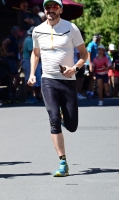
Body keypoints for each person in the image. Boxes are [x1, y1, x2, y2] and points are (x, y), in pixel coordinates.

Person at [28, 0, 87, 177]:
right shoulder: (37, 31)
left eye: (54, 7)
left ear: (60, 9)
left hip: (68, 81)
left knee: (72, 125)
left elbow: (84, 54)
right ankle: (63, 162)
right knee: (53, 118)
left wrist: (74, 68)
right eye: (47, 7)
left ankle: (64, 116)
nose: (50, 10)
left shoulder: (71, 28)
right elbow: (35, 53)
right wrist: (32, 73)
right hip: (48, 80)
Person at [22, 26, 42, 103]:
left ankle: (37, 95)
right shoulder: (29, 40)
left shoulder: (34, 40)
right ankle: (29, 96)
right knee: (29, 79)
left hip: (35, 61)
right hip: (29, 61)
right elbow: (33, 54)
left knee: (37, 79)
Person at [2, 26, 21, 97]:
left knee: (16, 77)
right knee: (14, 76)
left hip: (14, 60)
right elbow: (4, 43)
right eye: (18, 30)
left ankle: (12, 90)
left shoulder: (16, 39)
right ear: (15, 32)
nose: (19, 32)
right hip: (11, 60)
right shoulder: (11, 37)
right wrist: (7, 53)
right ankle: (11, 91)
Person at [86, 33, 103, 99]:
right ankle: (88, 92)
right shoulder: (91, 44)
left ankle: (91, 92)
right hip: (91, 64)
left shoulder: (96, 45)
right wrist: (90, 64)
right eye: (99, 38)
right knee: (92, 78)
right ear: (96, 37)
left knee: (93, 79)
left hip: (95, 64)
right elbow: (89, 54)